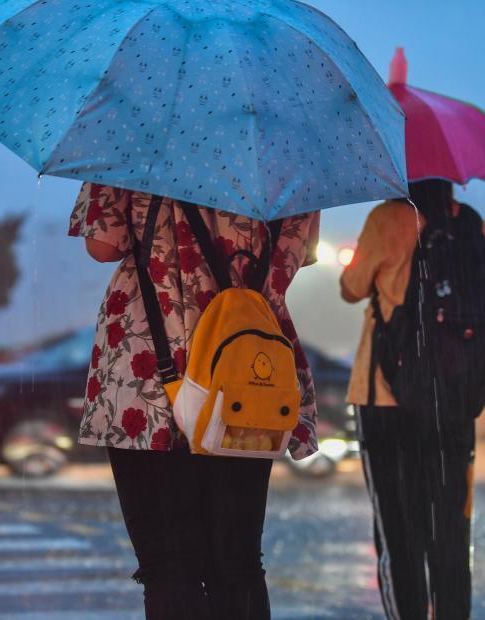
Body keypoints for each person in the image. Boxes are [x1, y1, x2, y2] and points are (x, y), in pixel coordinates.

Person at [70, 183, 320, 620]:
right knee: (238, 561)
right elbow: (295, 256)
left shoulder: (138, 143)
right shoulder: (293, 159)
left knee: (168, 564)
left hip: (149, 361)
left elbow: (103, 246)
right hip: (246, 367)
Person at [340, 179, 485, 620]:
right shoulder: (475, 226)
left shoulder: (389, 218)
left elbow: (352, 287)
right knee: (450, 532)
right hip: (453, 399)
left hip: (386, 396)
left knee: (399, 532)